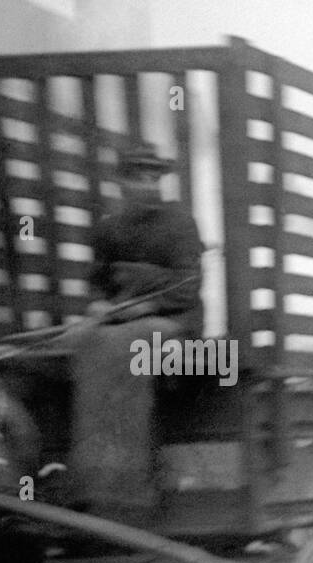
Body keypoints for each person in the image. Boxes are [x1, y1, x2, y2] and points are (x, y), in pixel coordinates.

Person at [57, 142, 205, 526]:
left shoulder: (180, 224)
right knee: (87, 342)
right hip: (120, 323)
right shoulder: (109, 229)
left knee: (131, 345)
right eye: (137, 176)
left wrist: (145, 306)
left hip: (175, 324)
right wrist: (98, 305)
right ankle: (88, 482)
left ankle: (128, 491)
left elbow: (188, 287)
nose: (146, 184)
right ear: (121, 182)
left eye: (153, 176)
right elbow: (99, 281)